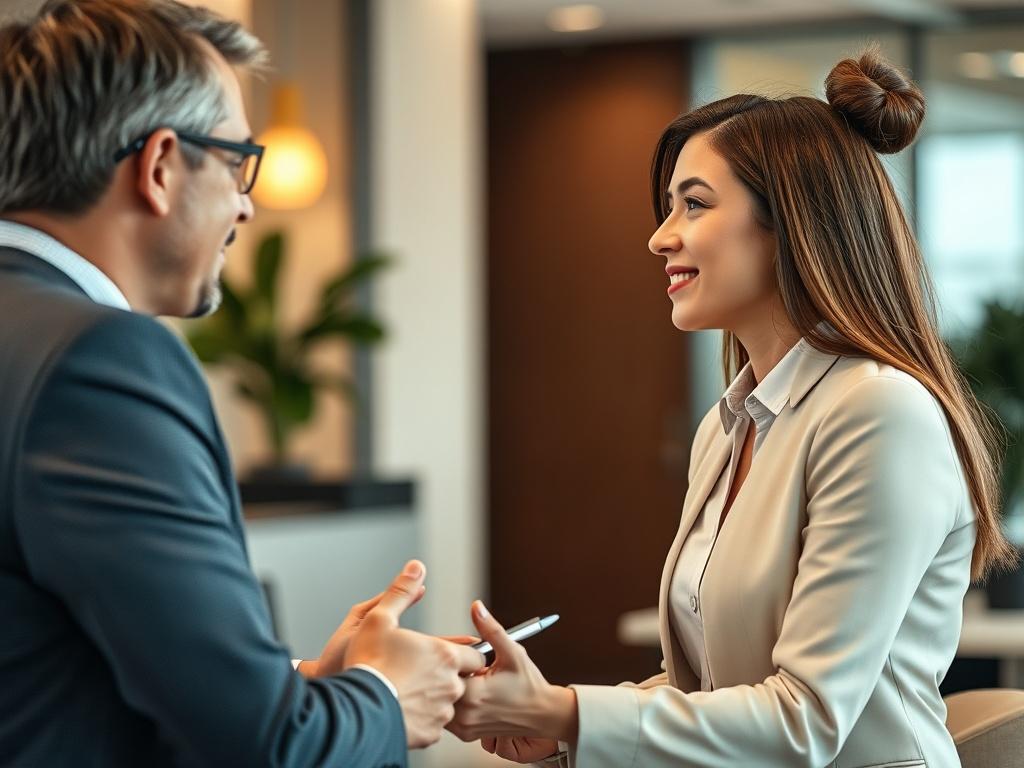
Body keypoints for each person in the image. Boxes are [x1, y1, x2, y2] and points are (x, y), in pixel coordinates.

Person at [446, 47, 1018, 767]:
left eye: (694, 204)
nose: (660, 236)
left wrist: (564, 711)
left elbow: (804, 720)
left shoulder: (879, 414)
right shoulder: (726, 429)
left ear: (792, 224)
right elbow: (713, 688)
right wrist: (563, 730)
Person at [0, 1, 483, 765]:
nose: (248, 204)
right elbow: (267, 748)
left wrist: (293, 683)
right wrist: (386, 697)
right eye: (236, 163)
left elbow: (46, 671)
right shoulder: (99, 359)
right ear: (161, 166)